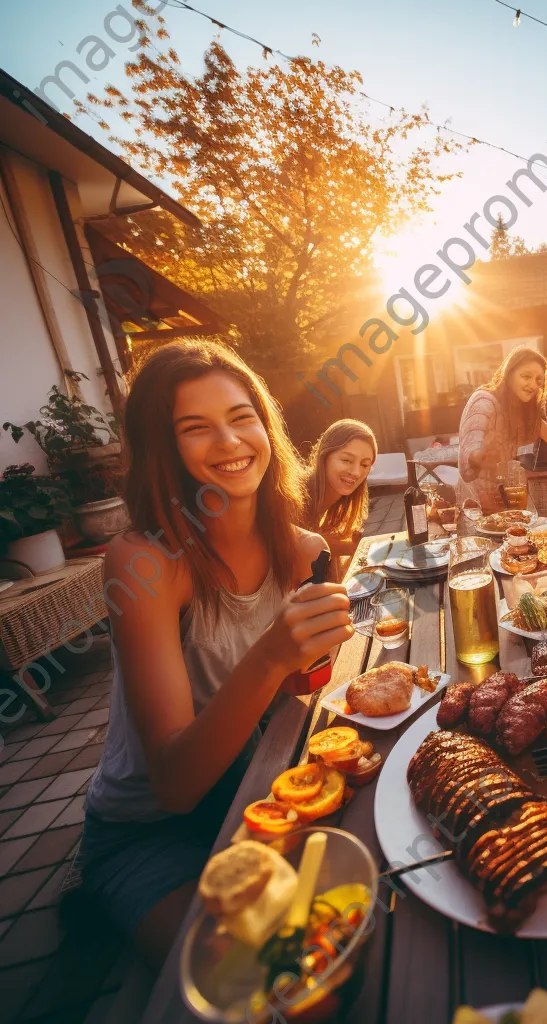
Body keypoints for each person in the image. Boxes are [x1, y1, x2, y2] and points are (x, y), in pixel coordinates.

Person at [78, 340, 354, 967]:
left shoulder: (304, 550)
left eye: (241, 417)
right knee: (264, 977)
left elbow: (300, 692)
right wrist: (270, 655)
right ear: (163, 450)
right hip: (149, 832)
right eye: (195, 428)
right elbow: (173, 786)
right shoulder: (144, 562)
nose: (230, 442)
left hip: (251, 787)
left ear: (265, 426)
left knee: (356, 921)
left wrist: (302, 662)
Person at [457, 346, 547, 511]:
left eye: (538, 380)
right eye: (526, 376)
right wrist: (479, 457)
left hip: (506, 498)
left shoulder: (524, 411)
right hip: (474, 503)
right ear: (509, 373)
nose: (533, 385)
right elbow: (471, 446)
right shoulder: (484, 401)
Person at [302, 418, 377, 577]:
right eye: (346, 460)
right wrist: (350, 548)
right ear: (325, 455)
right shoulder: (296, 496)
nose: (356, 472)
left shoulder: (338, 503)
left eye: (364, 465)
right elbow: (297, 545)